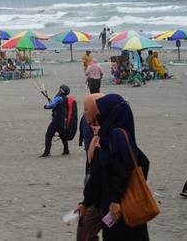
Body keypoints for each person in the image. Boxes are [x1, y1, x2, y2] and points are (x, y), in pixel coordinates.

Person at [87, 94, 151, 240]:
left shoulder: (116, 135)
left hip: (119, 207)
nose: (98, 114)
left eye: (100, 110)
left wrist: (116, 199)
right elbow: (143, 162)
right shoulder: (118, 134)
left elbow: (123, 168)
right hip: (120, 203)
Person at [77, 93, 105, 241]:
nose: (84, 112)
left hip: (110, 201)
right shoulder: (96, 133)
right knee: (84, 230)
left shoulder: (110, 137)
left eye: (87, 109)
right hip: (96, 198)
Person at [40, 85, 71, 157]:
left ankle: (47, 152)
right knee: (62, 135)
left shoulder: (59, 98)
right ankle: (66, 150)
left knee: (48, 135)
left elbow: (52, 105)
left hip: (56, 121)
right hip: (62, 121)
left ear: (61, 91)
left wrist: (46, 106)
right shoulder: (65, 98)